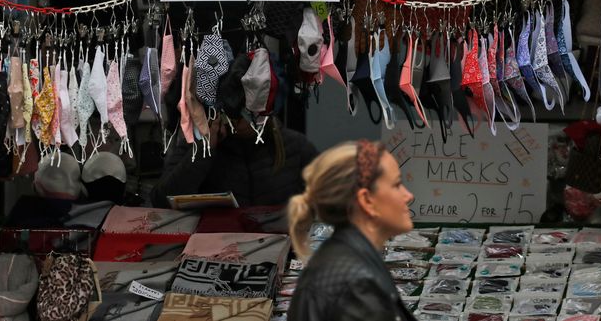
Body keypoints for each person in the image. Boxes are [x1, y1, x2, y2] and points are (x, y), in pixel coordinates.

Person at [287, 140, 416, 321]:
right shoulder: (356, 284)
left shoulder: (350, 259)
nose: (408, 196)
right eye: (396, 184)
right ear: (367, 200)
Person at [150, 116, 318, 208]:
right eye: (235, 102)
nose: (242, 113)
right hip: (216, 253)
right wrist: (205, 149)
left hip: (283, 250)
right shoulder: (197, 144)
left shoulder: (295, 146)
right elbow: (161, 201)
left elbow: (332, 203)